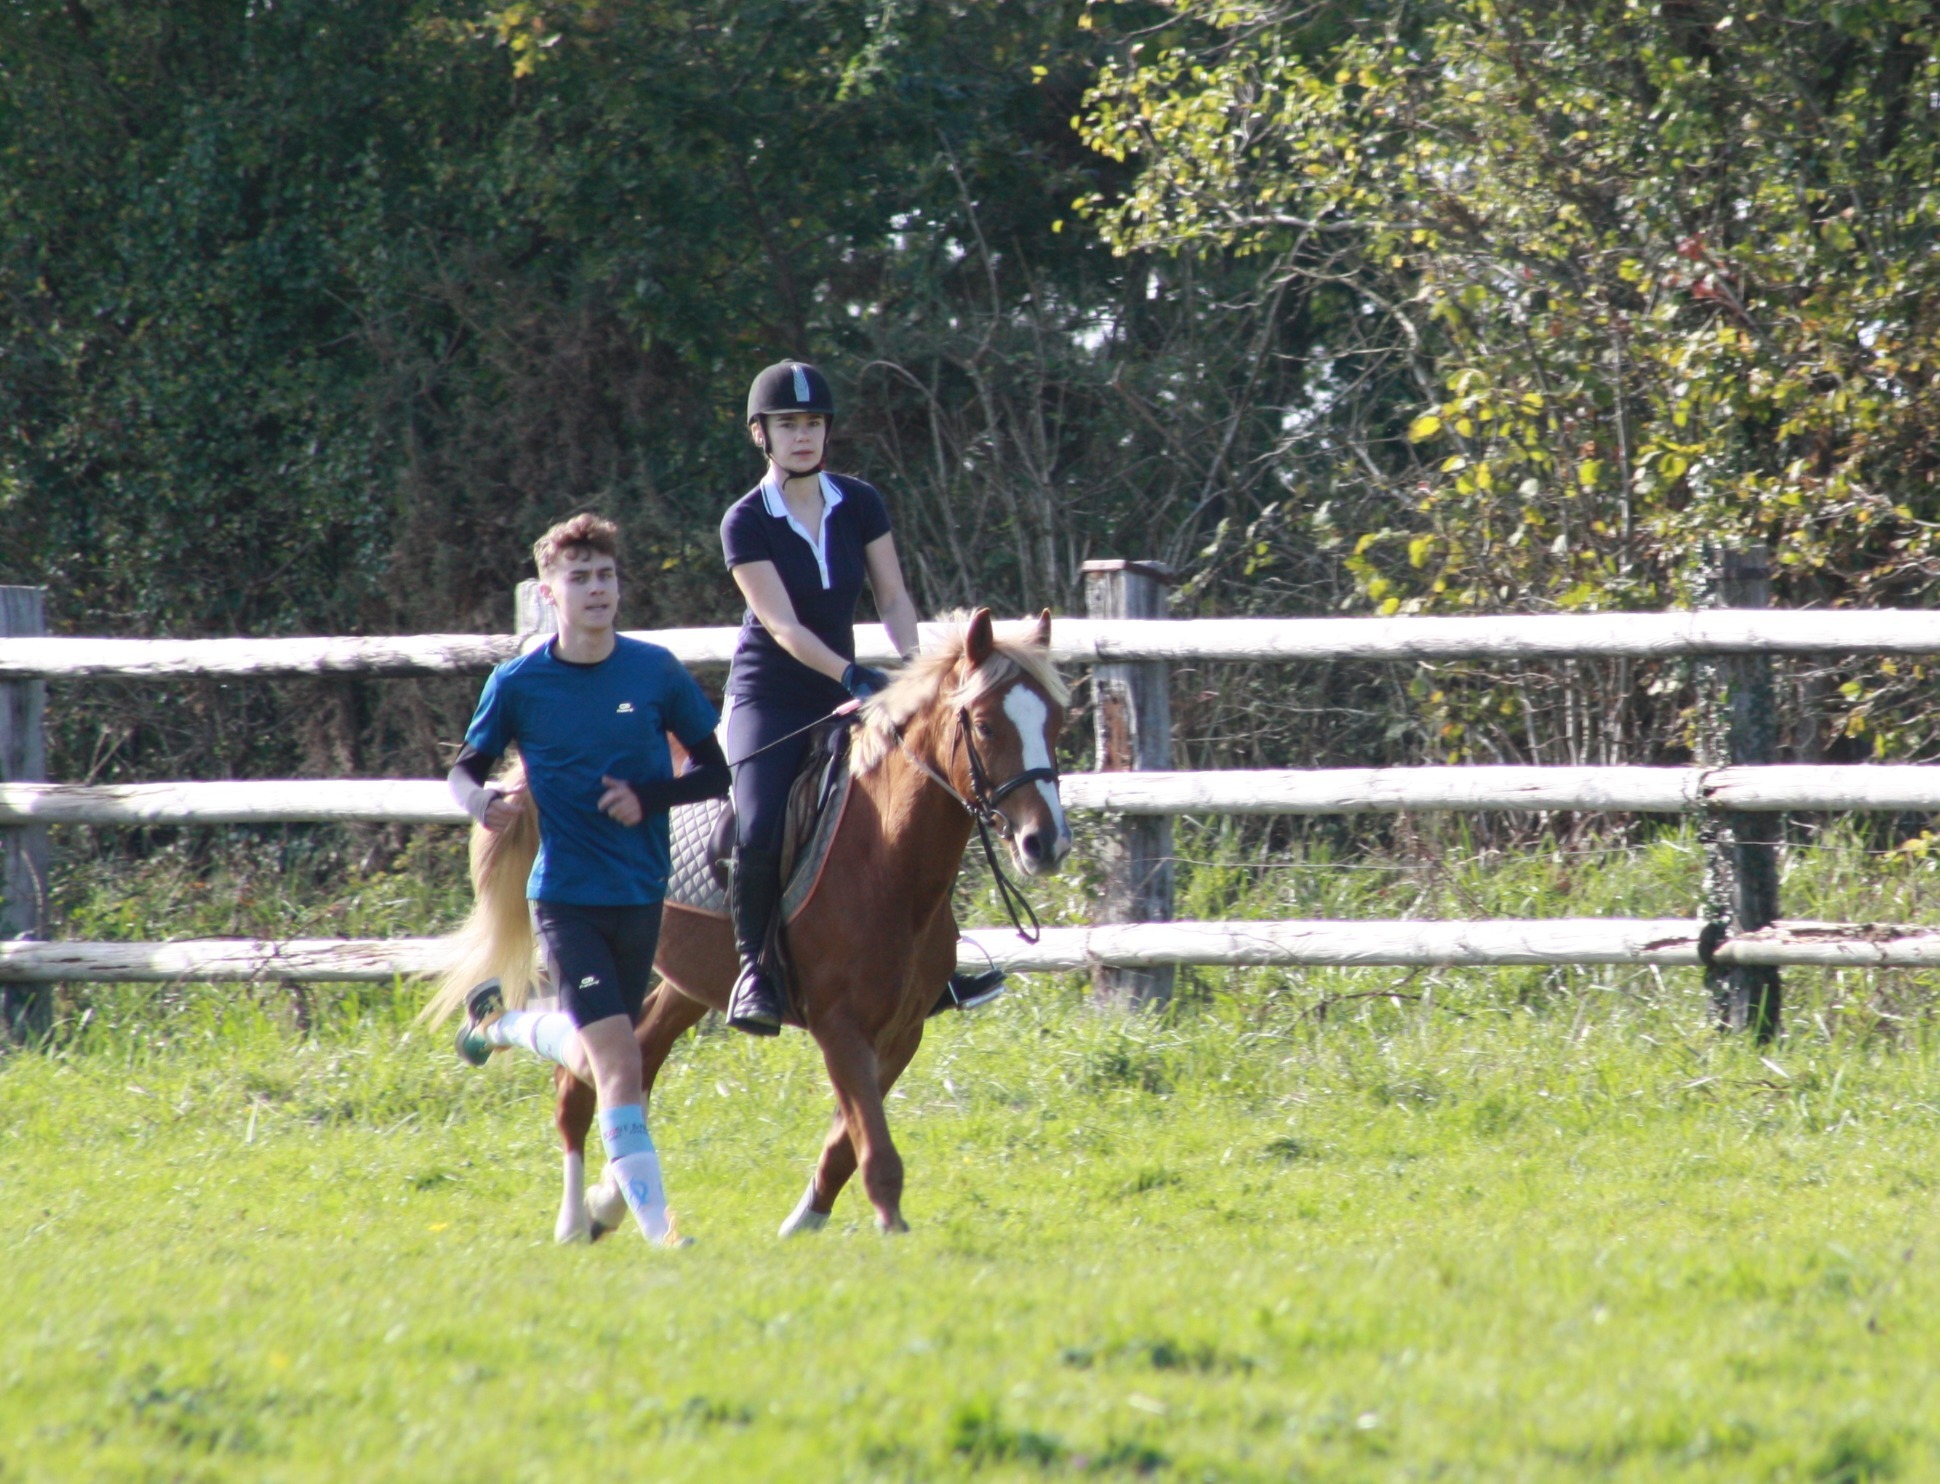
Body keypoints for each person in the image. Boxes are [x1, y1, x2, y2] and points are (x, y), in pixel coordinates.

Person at [447, 513, 728, 1247]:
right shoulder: (519, 682)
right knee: (621, 1062)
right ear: (550, 593)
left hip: (643, 897)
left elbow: (716, 770)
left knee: (592, 1052)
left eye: (605, 576)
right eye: (580, 578)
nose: (597, 589)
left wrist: (649, 797)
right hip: (565, 898)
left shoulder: (655, 671)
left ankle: (501, 1024)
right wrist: (488, 806)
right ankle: (661, 1231)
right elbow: (464, 771)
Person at [719, 359, 1005, 1034]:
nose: (804, 436)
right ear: (762, 434)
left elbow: (894, 597)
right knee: (758, 823)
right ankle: (754, 968)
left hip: (850, 691)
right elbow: (782, 625)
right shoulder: (745, 521)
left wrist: (916, 676)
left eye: (814, 423)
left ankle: (933, 965)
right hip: (770, 697)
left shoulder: (861, 503)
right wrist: (851, 675)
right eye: (789, 424)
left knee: (923, 803)